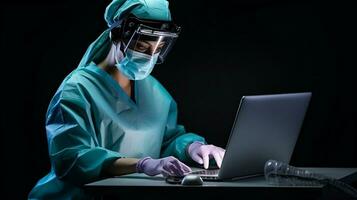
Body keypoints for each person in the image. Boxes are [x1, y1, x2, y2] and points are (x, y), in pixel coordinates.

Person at [29, 0, 225, 199]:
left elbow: (166, 140)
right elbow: (72, 159)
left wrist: (194, 147)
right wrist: (142, 164)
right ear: (117, 35)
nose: (150, 56)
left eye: (158, 48)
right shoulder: (77, 89)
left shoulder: (154, 91)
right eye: (142, 45)